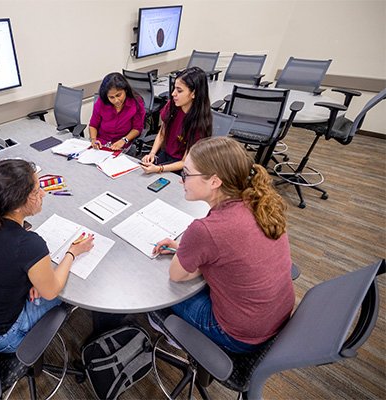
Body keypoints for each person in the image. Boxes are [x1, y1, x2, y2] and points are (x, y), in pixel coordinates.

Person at [152, 137, 294, 353]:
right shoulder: (258, 200)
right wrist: (188, 249)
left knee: (160, 292)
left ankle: (176, 336)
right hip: (275, 317)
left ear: (215, 181)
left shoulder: (205, 229)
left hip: (239, 336)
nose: (182, 180)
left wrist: (189, 251)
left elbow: (178, 275)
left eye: (187, 174)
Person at [0, 159, 94, 353]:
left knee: (41, 283)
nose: (43, 193)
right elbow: (51, 290)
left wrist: (33, 280)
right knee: (70, 291)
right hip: (0, 337)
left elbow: (3, 263)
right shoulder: (28, 244)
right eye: (36, 190)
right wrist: (73, 252)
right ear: (16, 205)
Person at [141, 67, 212, 174]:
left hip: (182, 166)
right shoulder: (172, 105)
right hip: (165, 155)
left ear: (194, 93)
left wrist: (159, 168)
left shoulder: (199, 124)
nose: (173, 93)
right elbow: (162, 133)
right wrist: (152, 153)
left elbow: (185, 162)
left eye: (179, 91)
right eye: (174, 88)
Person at [89, 72, 146, 151]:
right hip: (102, 144)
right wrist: (93, 139)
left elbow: (137, 128)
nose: (116, 101)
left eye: (118, 95)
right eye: (111, 97)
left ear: (125, 90)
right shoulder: (101, 102)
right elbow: (93, 125)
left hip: (122, 145)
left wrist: (124, 140)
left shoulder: (136, 103)